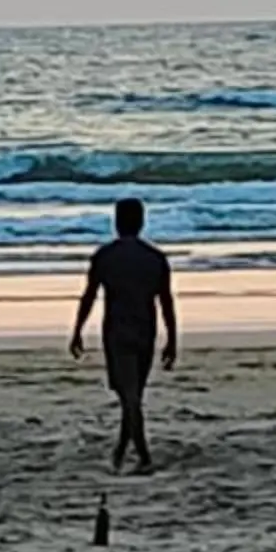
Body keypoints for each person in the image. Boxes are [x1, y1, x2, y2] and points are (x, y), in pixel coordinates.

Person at [70, 196, 177, 474]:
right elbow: (166, 302)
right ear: (142, 222)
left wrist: (78, 330)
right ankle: (123, 450)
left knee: (129, 396)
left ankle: (140, 454)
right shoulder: (155, 258)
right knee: (132, 394)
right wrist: (172, 339)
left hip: (117, 331)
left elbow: (89, 296)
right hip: (146, 330)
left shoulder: (105, 256)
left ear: (116, 222)